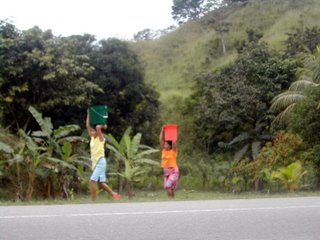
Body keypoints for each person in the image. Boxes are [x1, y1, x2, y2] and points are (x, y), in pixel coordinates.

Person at [86, 112, 121, 201]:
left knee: (92, 181)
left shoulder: (101, 138)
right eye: (92, 131)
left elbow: (98, 127)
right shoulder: (92, 139)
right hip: (96, 162)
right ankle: (115, 194)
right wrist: (89, 114)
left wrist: (103, 125)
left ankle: (93, 201)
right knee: (101, 183)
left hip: (100, 161)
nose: (92, 132)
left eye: (93, 131)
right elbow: (87, 126)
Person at [159, 126, 179, 198]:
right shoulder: (164, 151)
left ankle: (170, 200)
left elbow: (174, 142)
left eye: (166, 144)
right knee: (168, 187)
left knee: (168, 185)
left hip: (173, 170)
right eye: (164, 144)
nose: (165, 145)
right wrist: (162, 130)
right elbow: (161, 140)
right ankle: (171, 200)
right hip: (166, 171)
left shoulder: (173, 151)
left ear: (170, 146)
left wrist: (173, 132)